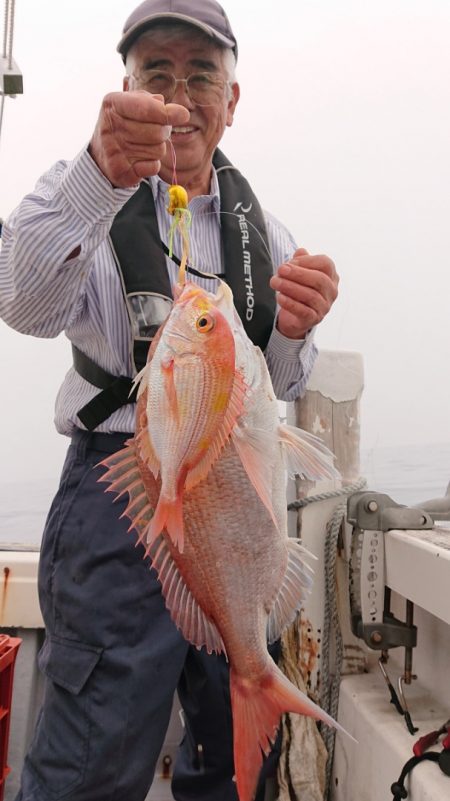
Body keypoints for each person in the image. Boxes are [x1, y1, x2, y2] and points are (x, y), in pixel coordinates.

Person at [0, 1, 339, 800]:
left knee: (227, 759)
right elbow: (22, 302)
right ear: (127, 85)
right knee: (93, 758)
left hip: (239, 511)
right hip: (118, 498)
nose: (181, 96)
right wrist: (96, 169)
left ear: (233, 98)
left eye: (201, 75)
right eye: (158, 73)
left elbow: (285, 379)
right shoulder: (80, 191)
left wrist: (295, 326)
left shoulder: (270, 234)